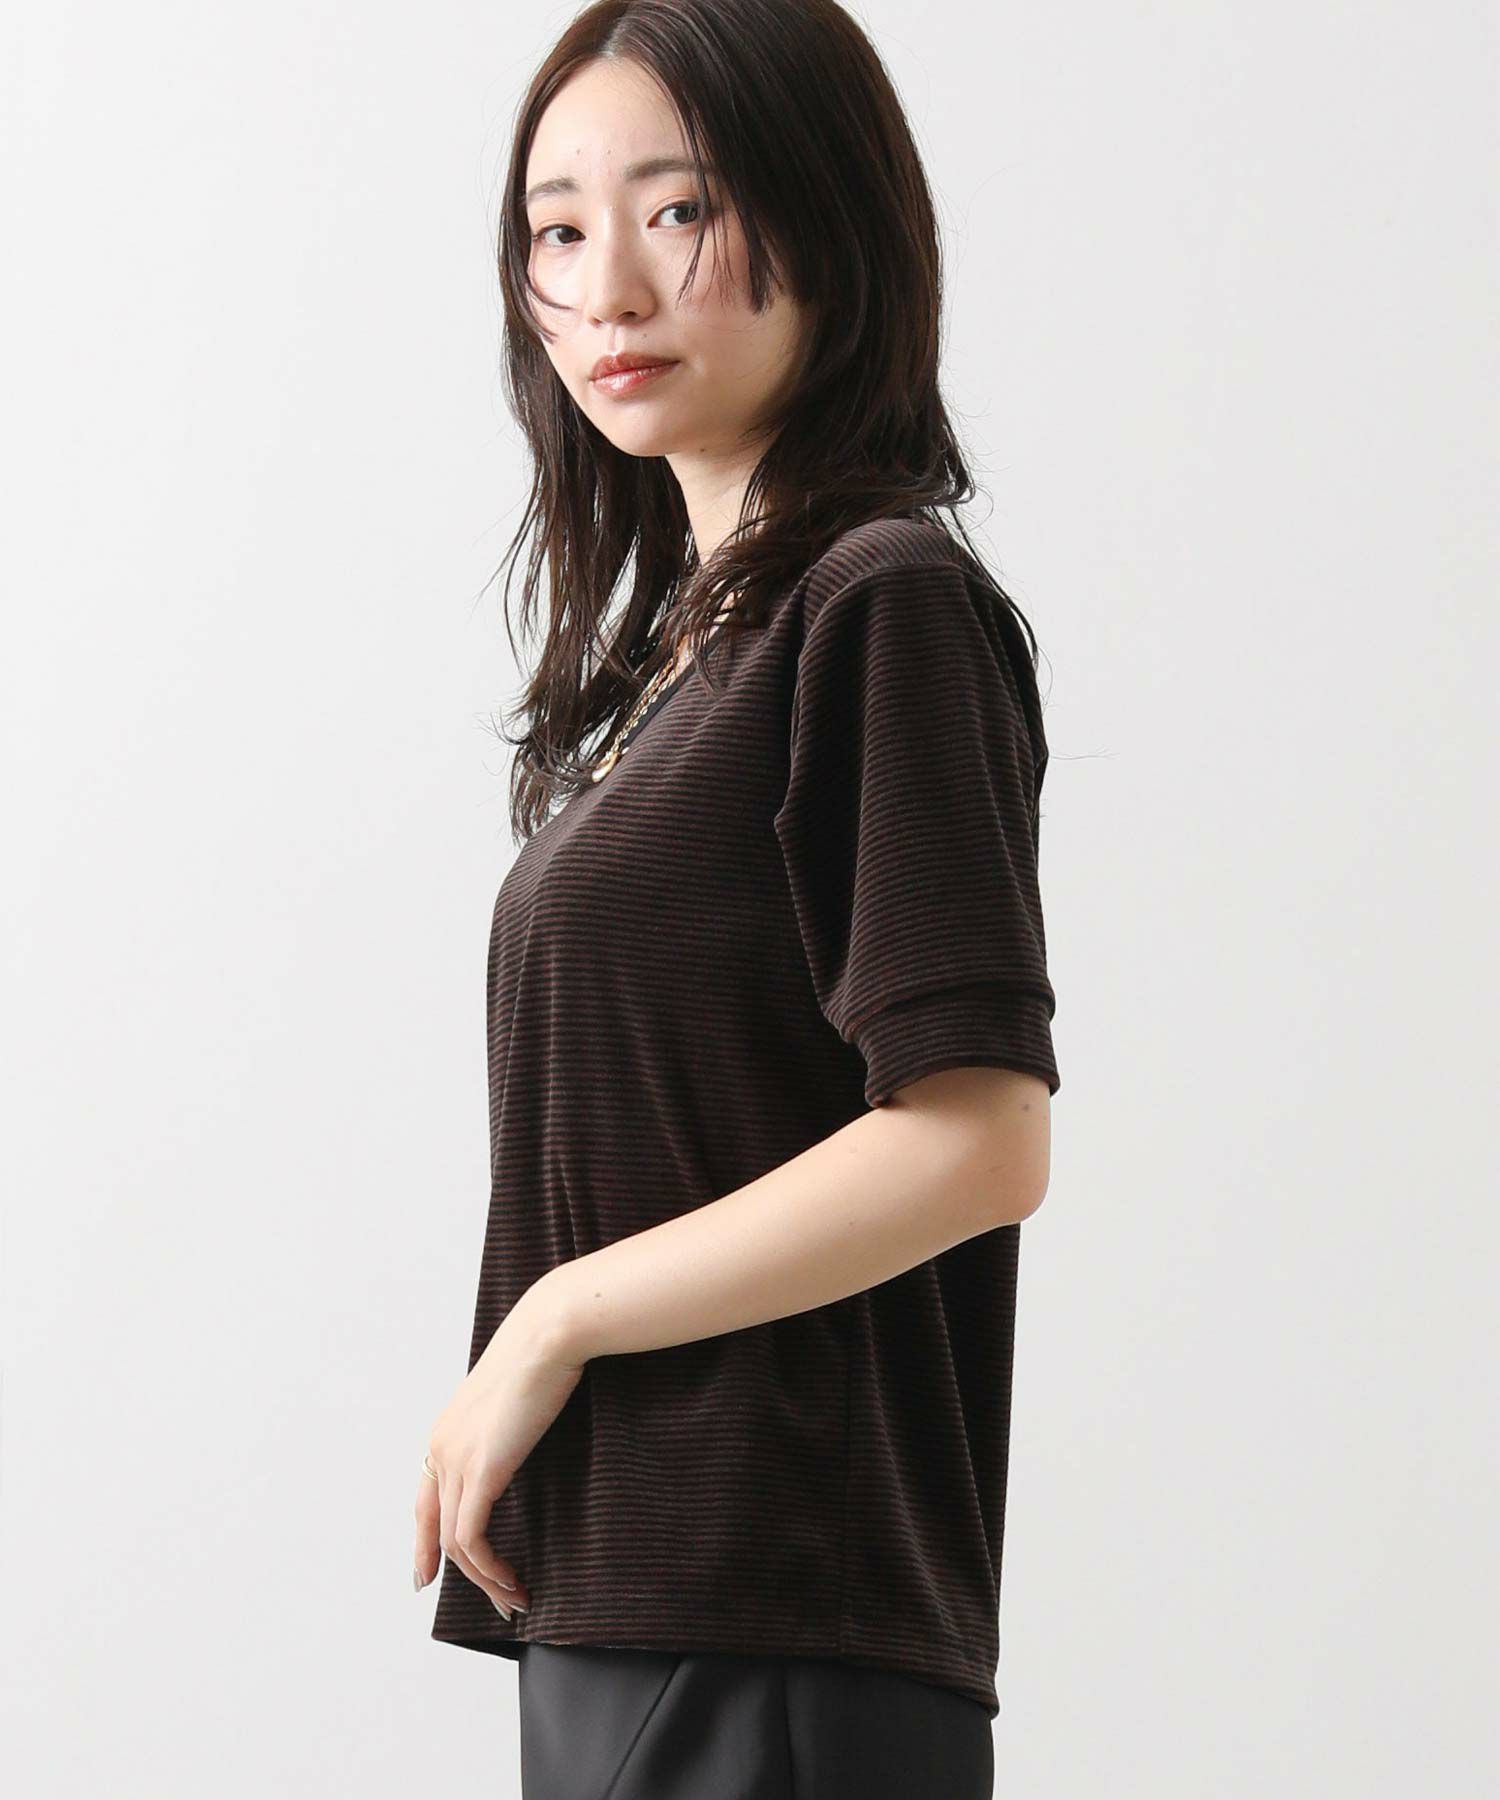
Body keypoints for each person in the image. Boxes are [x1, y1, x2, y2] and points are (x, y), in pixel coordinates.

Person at [413, 2, 1062, 1793]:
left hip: (768, 1610)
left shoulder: (882, 603)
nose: (607, 288)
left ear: (828, 217)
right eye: (557, 231)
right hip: (646, 1600)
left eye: (678, 209)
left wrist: (556, 1318)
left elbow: (979, 1140)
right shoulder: (689, 666)